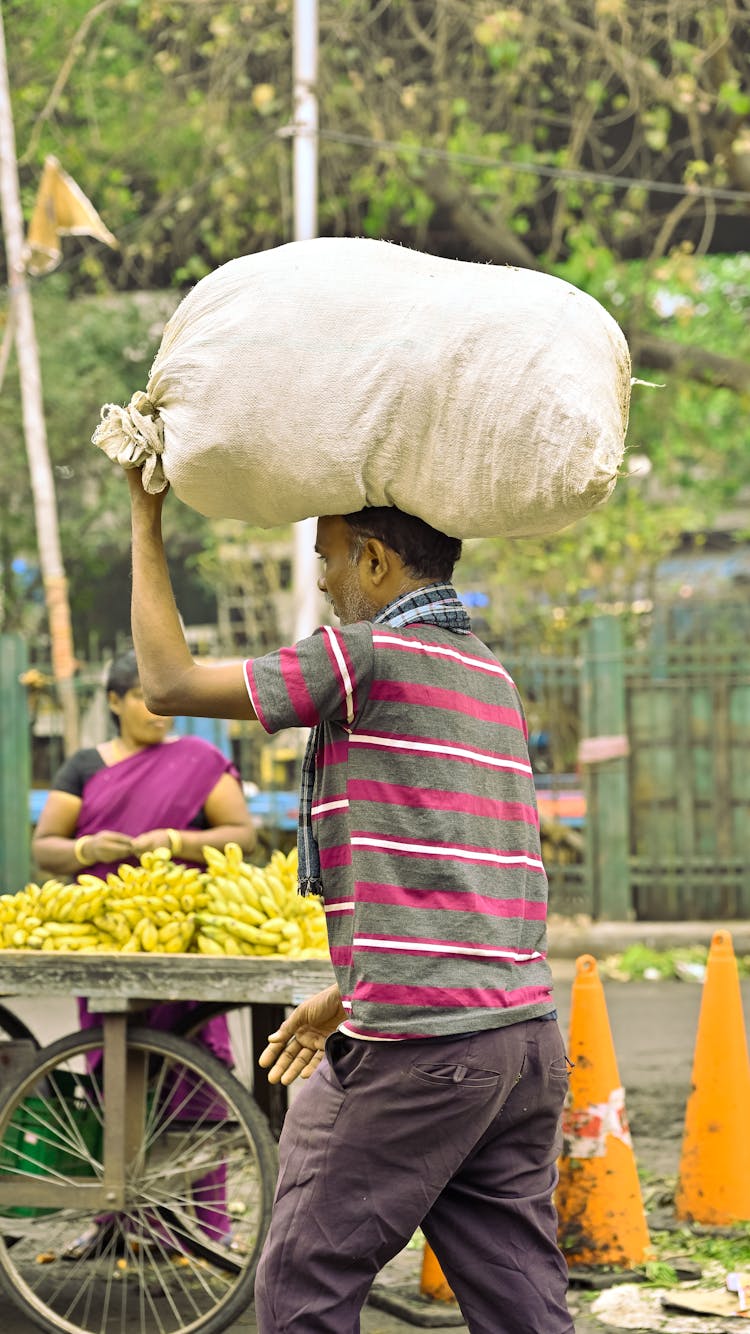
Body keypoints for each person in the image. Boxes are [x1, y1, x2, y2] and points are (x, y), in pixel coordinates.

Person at [125, 468, 573, 1334]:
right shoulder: (491, 679)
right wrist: (348, 991)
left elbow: (169, 686)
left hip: (423, 1050)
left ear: (373, 560)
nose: (325, 581)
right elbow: (474, 879)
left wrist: (146, 515)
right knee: (520, 1300)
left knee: (302, 1276)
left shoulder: (360, 657)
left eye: (329, 558)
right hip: (522, 1042)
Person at [32, 647, 256, 1257]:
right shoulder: (84, 767)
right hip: (105, 936)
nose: (159, 711)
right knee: (113, 1074)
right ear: (113, 701)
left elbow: (241, 832)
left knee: (195, 1077)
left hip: (181, 937)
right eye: (143, 697)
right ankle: (124, 1225)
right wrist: (85, 851)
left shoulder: (201, 761)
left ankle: (207, 1231)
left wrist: (178, 839)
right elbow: (45, 845)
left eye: (164, 700)